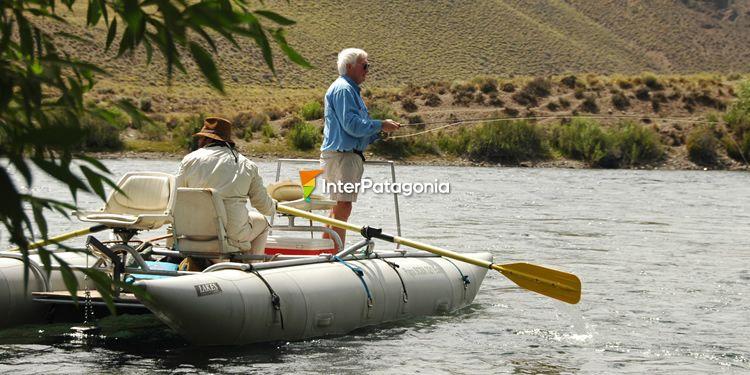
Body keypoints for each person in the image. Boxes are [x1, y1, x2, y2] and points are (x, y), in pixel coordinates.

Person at [320, 48, 401, 248]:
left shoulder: (346, 89)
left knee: (337, 207)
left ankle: (325, 252)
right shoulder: (344, 89)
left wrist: (379, 132)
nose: (367, 70)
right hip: (343, 157)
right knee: (343, 206)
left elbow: (354, 129)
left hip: (340, 155)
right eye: (364, 66)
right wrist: (381, 124)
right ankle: (335, 254)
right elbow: (352, 125)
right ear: (349, 67)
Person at [176, 117, 275, 262]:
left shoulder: (188, 160)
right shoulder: (246, 165)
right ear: (227, 141)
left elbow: (175, 196)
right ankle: (252, 268)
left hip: (193, 235)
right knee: (263, 222)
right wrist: (274, 205)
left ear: (206, 140)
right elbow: (265, 208)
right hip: (231, 235)